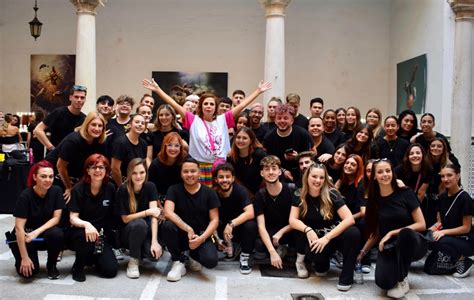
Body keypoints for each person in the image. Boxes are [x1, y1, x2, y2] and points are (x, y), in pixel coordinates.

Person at [143, 78, 271, 187]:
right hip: (199, 167)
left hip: (220, 167)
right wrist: (158, 90)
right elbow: (175, 105)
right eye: (206, 104)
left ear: (215, 107)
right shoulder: (193, 120)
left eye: (211, 104)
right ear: (201, 107)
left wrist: (258, 91)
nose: (208, 106)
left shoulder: (223, 119)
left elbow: (242, 106)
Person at [359, 159, 427, 298]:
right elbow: (376, 232)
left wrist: (392, 232)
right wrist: (362, 252)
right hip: (390, 246)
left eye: (388, 171)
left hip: (413, 242)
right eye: (380, 172)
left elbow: (421, 224)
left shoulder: (405, 193)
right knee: (383, 282)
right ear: (373, 176)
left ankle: (402, 280)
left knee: (405, 233)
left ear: (392, 173)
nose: (385, 174)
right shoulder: (374, 200)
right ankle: (396, 276)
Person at [289, 162, 360, 291]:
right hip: (317, 238)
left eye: (321, 177)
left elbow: (349, 219)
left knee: (353, 233)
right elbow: (292, 220)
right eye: (314, 176)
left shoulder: (332, 194)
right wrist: (308, 229)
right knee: (320, 268)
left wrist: (327, 238)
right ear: (307, 177)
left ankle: (347, 274)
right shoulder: (299, 194)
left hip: (334, 236)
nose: (318, 180)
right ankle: (323, 262)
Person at [161, 158, 220, 282]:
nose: (189, 175)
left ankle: (193, 256)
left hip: (201, 235)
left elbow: (215, 220)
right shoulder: (174, 189)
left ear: (199, 173)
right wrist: (188, 228)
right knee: (167, 226)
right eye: (186, 171)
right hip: (181, 233)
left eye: (193, 171)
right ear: (181, 174)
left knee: (211, 261)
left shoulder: (209, 193)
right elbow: (167, 212)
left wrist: (202, 238)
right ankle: (178, 261)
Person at [8, 160, 64, 279]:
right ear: (34, 177)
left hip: (42, 233)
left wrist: (37, 232)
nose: (48, 180)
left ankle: (51, 265)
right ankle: (20, 257)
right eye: (43, 176)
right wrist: (24, 258)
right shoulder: (25, 196)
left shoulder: (56, 191)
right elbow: (19, 228)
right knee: (28, 273)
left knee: (57, 234)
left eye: (50, 176)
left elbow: (56, 218)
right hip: (25, 236)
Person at [67, 154, 118, 282]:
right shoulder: (78, 189)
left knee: (110, 270)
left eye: (101, 167)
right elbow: (73, 218)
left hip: (100, 235)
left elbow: (113, 215)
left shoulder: (110, 188)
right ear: (87, 170)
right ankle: (78, 267)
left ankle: (91, 258)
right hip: (80, 232)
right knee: (86, 237)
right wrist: (87, 225)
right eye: (93, 167)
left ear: (106, 170)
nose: (97, 171)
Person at [116, 158, 163, 278]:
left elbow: (154, 216)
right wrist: (147, 212)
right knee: (139, 223)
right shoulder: (123, 189)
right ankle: (133, 261)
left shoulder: (150, 186)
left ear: (146, 173)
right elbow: (125, 219)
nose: (138, 176)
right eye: (134, 173)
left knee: (153, 255)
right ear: (129, 174)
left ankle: (140, 253)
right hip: (127, 232)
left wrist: (154, 241)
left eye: (142, 172)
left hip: (145, 230)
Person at [46, 112, 107, 201]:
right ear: (86, 125)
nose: (97, 128)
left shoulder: (99, 142)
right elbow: (60, 166)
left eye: (100, 126)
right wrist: (69, 187)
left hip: (76, 177)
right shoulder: (73, 141)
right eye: (93, 125)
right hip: (56, 175)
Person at [428, 164, 473, 278]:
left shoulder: (465, 198)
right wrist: (429, 231)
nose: (445, 179)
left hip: (466, 241)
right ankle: (453, 259)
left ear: (457, 176)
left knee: (438, 240)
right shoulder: (442, 196)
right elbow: (440, 222)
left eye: (449, 175)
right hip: (450, 238)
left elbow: (466, 228)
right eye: (443, 176)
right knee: (428, 239)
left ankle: (464, 260)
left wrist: (443, 232)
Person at [213, 163, 257, 274]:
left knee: (251, 225)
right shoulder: (213, 193)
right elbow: (210, 219)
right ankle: (226, 246)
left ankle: (244, 256)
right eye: (221, 177)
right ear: (216, 179)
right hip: (221, 229)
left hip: (237, 227)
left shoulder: (240, 191)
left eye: (227, 177)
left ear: (233, 178)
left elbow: (251, 212)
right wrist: (216, 239)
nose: (224, 180)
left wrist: (231, 224)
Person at [253, 156, 296, 269]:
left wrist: (281, 232)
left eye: (274, 168)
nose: (271, 172)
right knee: (259, 249)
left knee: (298, 240)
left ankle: (289, 250)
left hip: (289, 229)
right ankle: (278, 250)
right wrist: (272, 252)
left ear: (279, 172)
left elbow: (297, 220)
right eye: (267, 169)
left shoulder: (291, 189)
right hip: (271, 231)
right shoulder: (259, 195)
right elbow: (261, 226)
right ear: (262, 173)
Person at [263, 104, 313, 182]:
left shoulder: (303, 134)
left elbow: (311, 155)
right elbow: (268, 160)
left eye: (286, 118)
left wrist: (298, 157)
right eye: (279, 118)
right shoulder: (268, 137)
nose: (282, 121)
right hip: (278, 175)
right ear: (275, 121)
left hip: (302, 172)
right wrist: (283, 171)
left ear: (292, 120)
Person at [34, 85, 87, 152]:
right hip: (56, 157)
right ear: (70, 98)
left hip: (73, 156)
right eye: (76, 97)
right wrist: (52, 148)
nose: (79, 100)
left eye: (82, 98)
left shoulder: (84, 118)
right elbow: (38, 130)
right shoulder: (59, 112)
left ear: (85, 99)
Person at [395, 143, 434, 225]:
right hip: (400, 202)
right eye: (411, 154)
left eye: (418, 153)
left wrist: (414, 210)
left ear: (423, 155)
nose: (415, 156)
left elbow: (421, 193)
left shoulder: (428, 169)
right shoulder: (400, 169)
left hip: (417, 202)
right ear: (407, 156)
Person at [111, 114, 151, 186]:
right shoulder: (120, 142)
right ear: (130, 124)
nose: (140, 125)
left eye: (143, 123)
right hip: (121, 181)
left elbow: (143, 164)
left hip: (137, 181)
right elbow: (115, 168)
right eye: (137, 122)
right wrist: (122, 186)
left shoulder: (144, 143)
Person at [148, 132, 188, 203]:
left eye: (176, 145)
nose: (173, 149)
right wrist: (159, 206)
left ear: (181, 147)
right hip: (161, 199)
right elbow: (151, 189)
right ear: (164, 146)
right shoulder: (155, 164)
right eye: (169, 145)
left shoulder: (186, 160)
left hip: (182, 197)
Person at [227, 127, 267, 195]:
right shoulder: (231, 157)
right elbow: (234, 179)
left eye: (244, 138)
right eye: (238, 137)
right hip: (241, 193)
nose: (241, 140)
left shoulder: (260, 155)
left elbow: (267, 176)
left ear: (251, 140)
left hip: (261, 192)